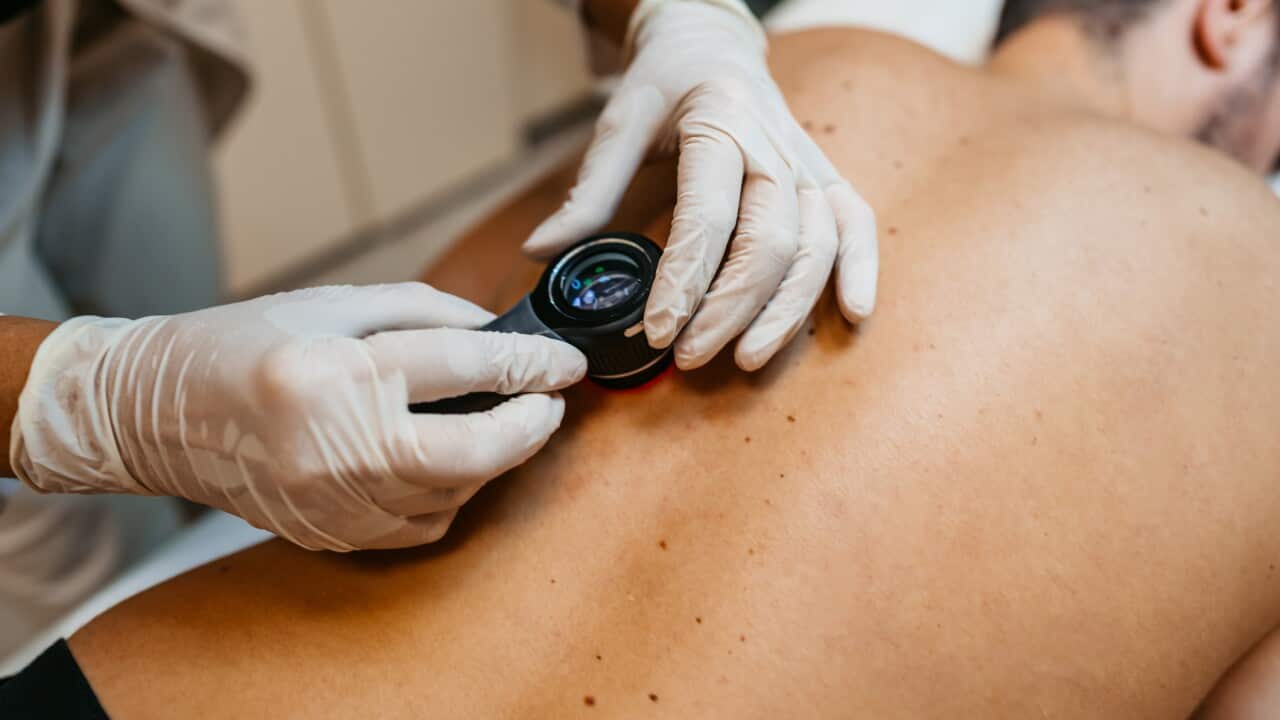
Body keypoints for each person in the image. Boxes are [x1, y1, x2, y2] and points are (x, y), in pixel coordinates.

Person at [8, 0, 1277, 716]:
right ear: (1229, 18)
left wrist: (682, 15)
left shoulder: (792, 64)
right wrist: (90, 399)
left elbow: (440, 298)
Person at [0, 0, 875, 654]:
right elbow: (122, 397)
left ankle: (188, 519)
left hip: (95, 23)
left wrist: (676, 14)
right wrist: (94, 400)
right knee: (58, 523)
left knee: (164, 298)